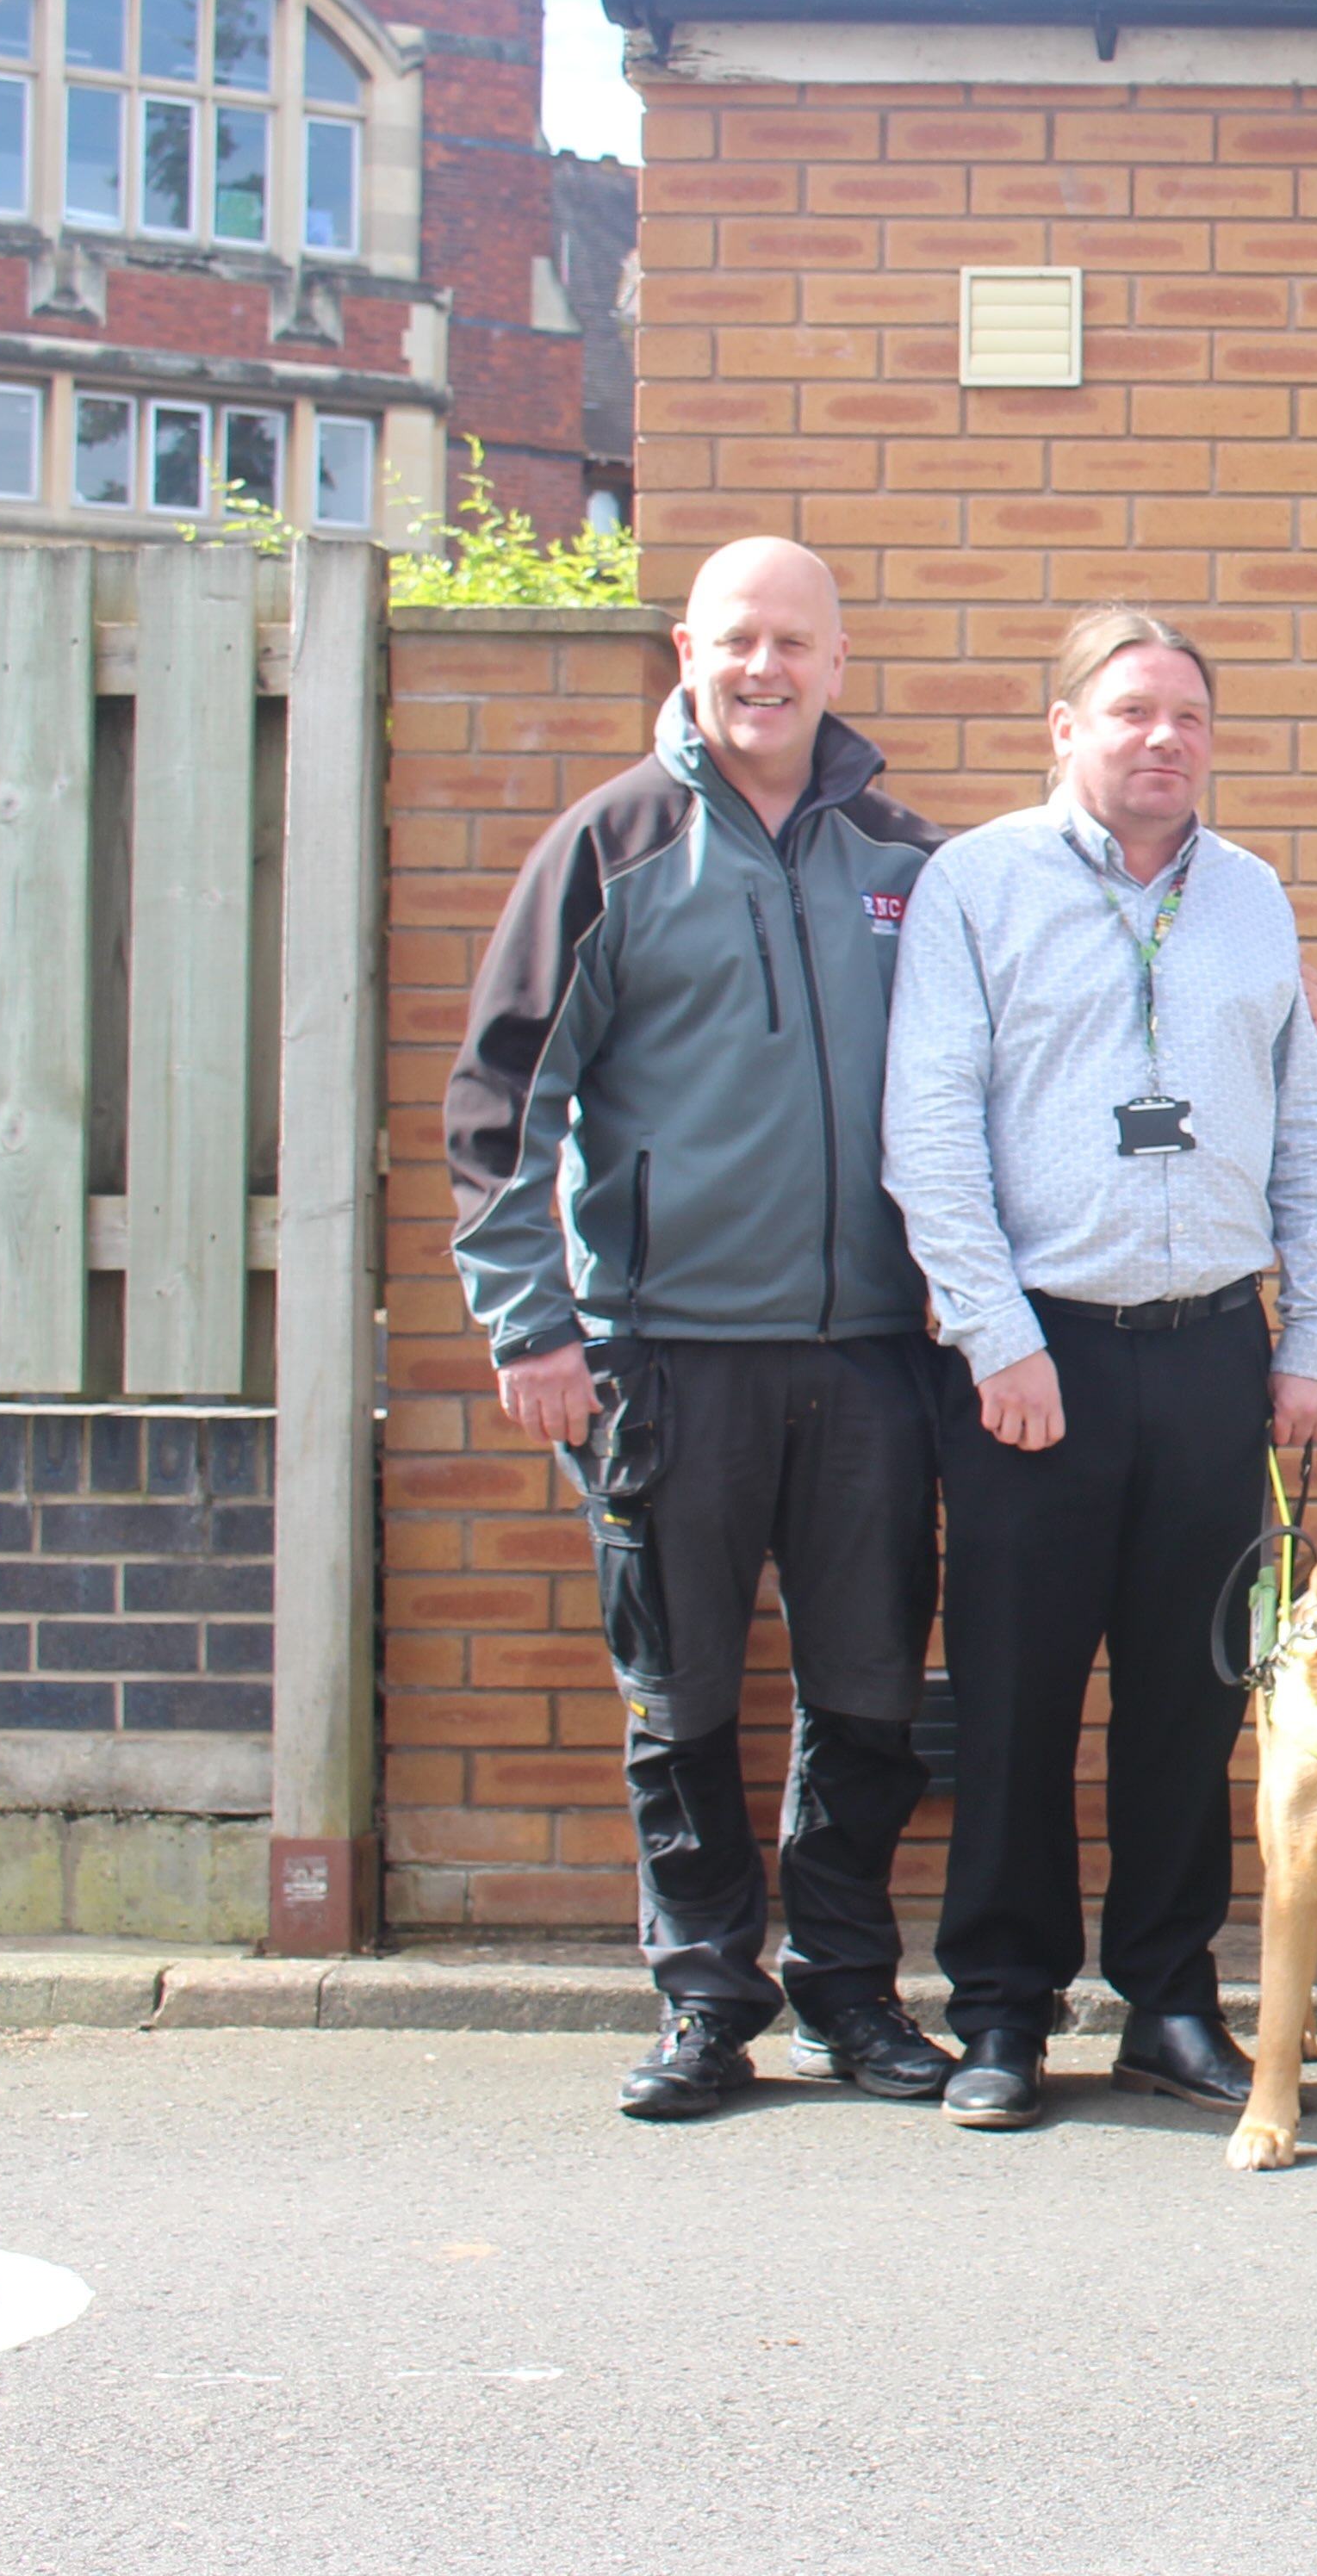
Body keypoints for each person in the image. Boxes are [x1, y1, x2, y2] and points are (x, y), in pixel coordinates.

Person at [447, 535, 951, 2123]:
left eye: (795, 642)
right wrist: (534, 1326)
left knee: (870, 1697)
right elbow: (498, 1107)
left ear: (839, 663)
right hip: (665, 1356)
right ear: (687, 646)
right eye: (738, 639)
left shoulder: (904, 860)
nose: (765, 669)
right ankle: (706, 2001)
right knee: (683, 1705)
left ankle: (851, 2000)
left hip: (875, 1360)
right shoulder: (610, 846)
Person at [882, 610, 1317, 2132]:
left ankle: (1167, 2001)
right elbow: (930, 1132)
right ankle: (1004, 2018)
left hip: (1214, 1353)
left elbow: (1307, 1131)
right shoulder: (977, 887)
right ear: (1064, 728)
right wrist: (996, 1338)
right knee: (1020, 1701)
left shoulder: (1253, 899)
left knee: (1191, 1700)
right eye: (1133, 712)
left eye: (1190, 719)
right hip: (1040, 1360)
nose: (1164, 740)